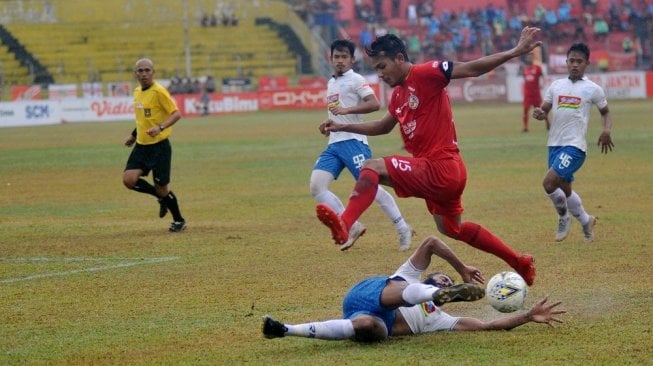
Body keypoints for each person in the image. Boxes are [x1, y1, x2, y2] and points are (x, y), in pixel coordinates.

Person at [315, 27, 542, 285]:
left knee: (372, 167)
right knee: (450, 228)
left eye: (383, 66)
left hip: (441, 166)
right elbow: (383, 126)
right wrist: (343, 125)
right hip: (443, 172)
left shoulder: (426, 72)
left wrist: (515, 51)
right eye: (376, 69)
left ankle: (345, 225)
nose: (380, 74)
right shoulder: (399, 94)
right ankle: (519, 262)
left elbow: (472, 68)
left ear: (399, 58)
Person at [262, 236, 565, 342]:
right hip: (370, 293)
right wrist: (460, 269)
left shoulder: (440, 320)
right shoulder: (407, 275)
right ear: (430, 277)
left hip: (377, 323)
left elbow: (487, 325)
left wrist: (527, 316)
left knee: (367, 324)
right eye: (442, 279)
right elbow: (432, 242)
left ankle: (285, 329)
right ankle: (428, 295)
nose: (445, 279)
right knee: (403, 287)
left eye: (449, 284)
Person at [312, 39, 414, 251]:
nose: (340, 61)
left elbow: (374, 103)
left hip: (353, 142)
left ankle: (402, 226)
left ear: (352, 59)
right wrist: (328, 124)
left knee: (372, 189)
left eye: (344, 57)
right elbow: (336, 112)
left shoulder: (355, 80)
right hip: (334, 143)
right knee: (317, 186)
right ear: (330, 59)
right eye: (336, 57)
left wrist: (347, 113)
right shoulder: (331, 83)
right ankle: (351, 226)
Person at [532, 43, 613, 243]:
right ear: (566, 62)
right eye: (571, 61)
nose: (575, 65)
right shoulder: (556, 85)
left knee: (549, 183)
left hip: (575, 146)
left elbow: (606, 112)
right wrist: (540, 113)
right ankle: (586, 221)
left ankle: (563, 217)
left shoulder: (593, 89)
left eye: (579, 61)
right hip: (554, 145)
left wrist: (606, 130)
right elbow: (544, 109)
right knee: (565, 189)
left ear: (587, 64)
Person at [123, 58, 186, 232]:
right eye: (140, 71)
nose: (144, 74)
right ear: (135, 73)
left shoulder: (159, 92)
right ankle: (160, 198)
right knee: (129, 180)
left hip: (160, 147)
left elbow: (177, 114)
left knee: (162, 187)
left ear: (153, 72)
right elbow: (143, 119)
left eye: (147, 70)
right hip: (142, 146)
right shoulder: (137, 92)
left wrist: (160, 127)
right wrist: (134, 135)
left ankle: (179, 220)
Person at [519, 52, 549, 132]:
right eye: (528, 57)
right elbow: (524, 79)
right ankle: (525, 127)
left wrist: (543, 83)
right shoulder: (524, 69)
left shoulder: (537, 68)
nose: (530, 58)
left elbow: (543, 76)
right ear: (526, 58)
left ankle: (548, 124)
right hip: (528, 94)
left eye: (531, 57)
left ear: (533, 58)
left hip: (536, 94)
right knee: (525, 111)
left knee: (542, 110)